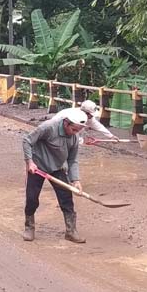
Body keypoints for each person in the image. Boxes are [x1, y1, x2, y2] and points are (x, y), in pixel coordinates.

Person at [22, 108, 88, 243]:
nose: (75, 133)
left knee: (66, 199)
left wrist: (75, 180)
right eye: (73, 129)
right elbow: (27, 141)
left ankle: (71, 231)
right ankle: (29, 227)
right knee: (32, 199)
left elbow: (72, 160)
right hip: (37, 167)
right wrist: (30, 162)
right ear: (66, 123)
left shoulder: (74, 138)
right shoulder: (48, 127)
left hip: (57, 167)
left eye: (78, 131)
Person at [52, 100, 116, 145]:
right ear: (86, 113)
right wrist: (82, 141)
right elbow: (73, 132)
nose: (92, 117)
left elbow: (97, 126)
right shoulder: (76, 117)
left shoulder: (87, 117)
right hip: (55, 132)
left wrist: (111, 136)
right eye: (91, 115)